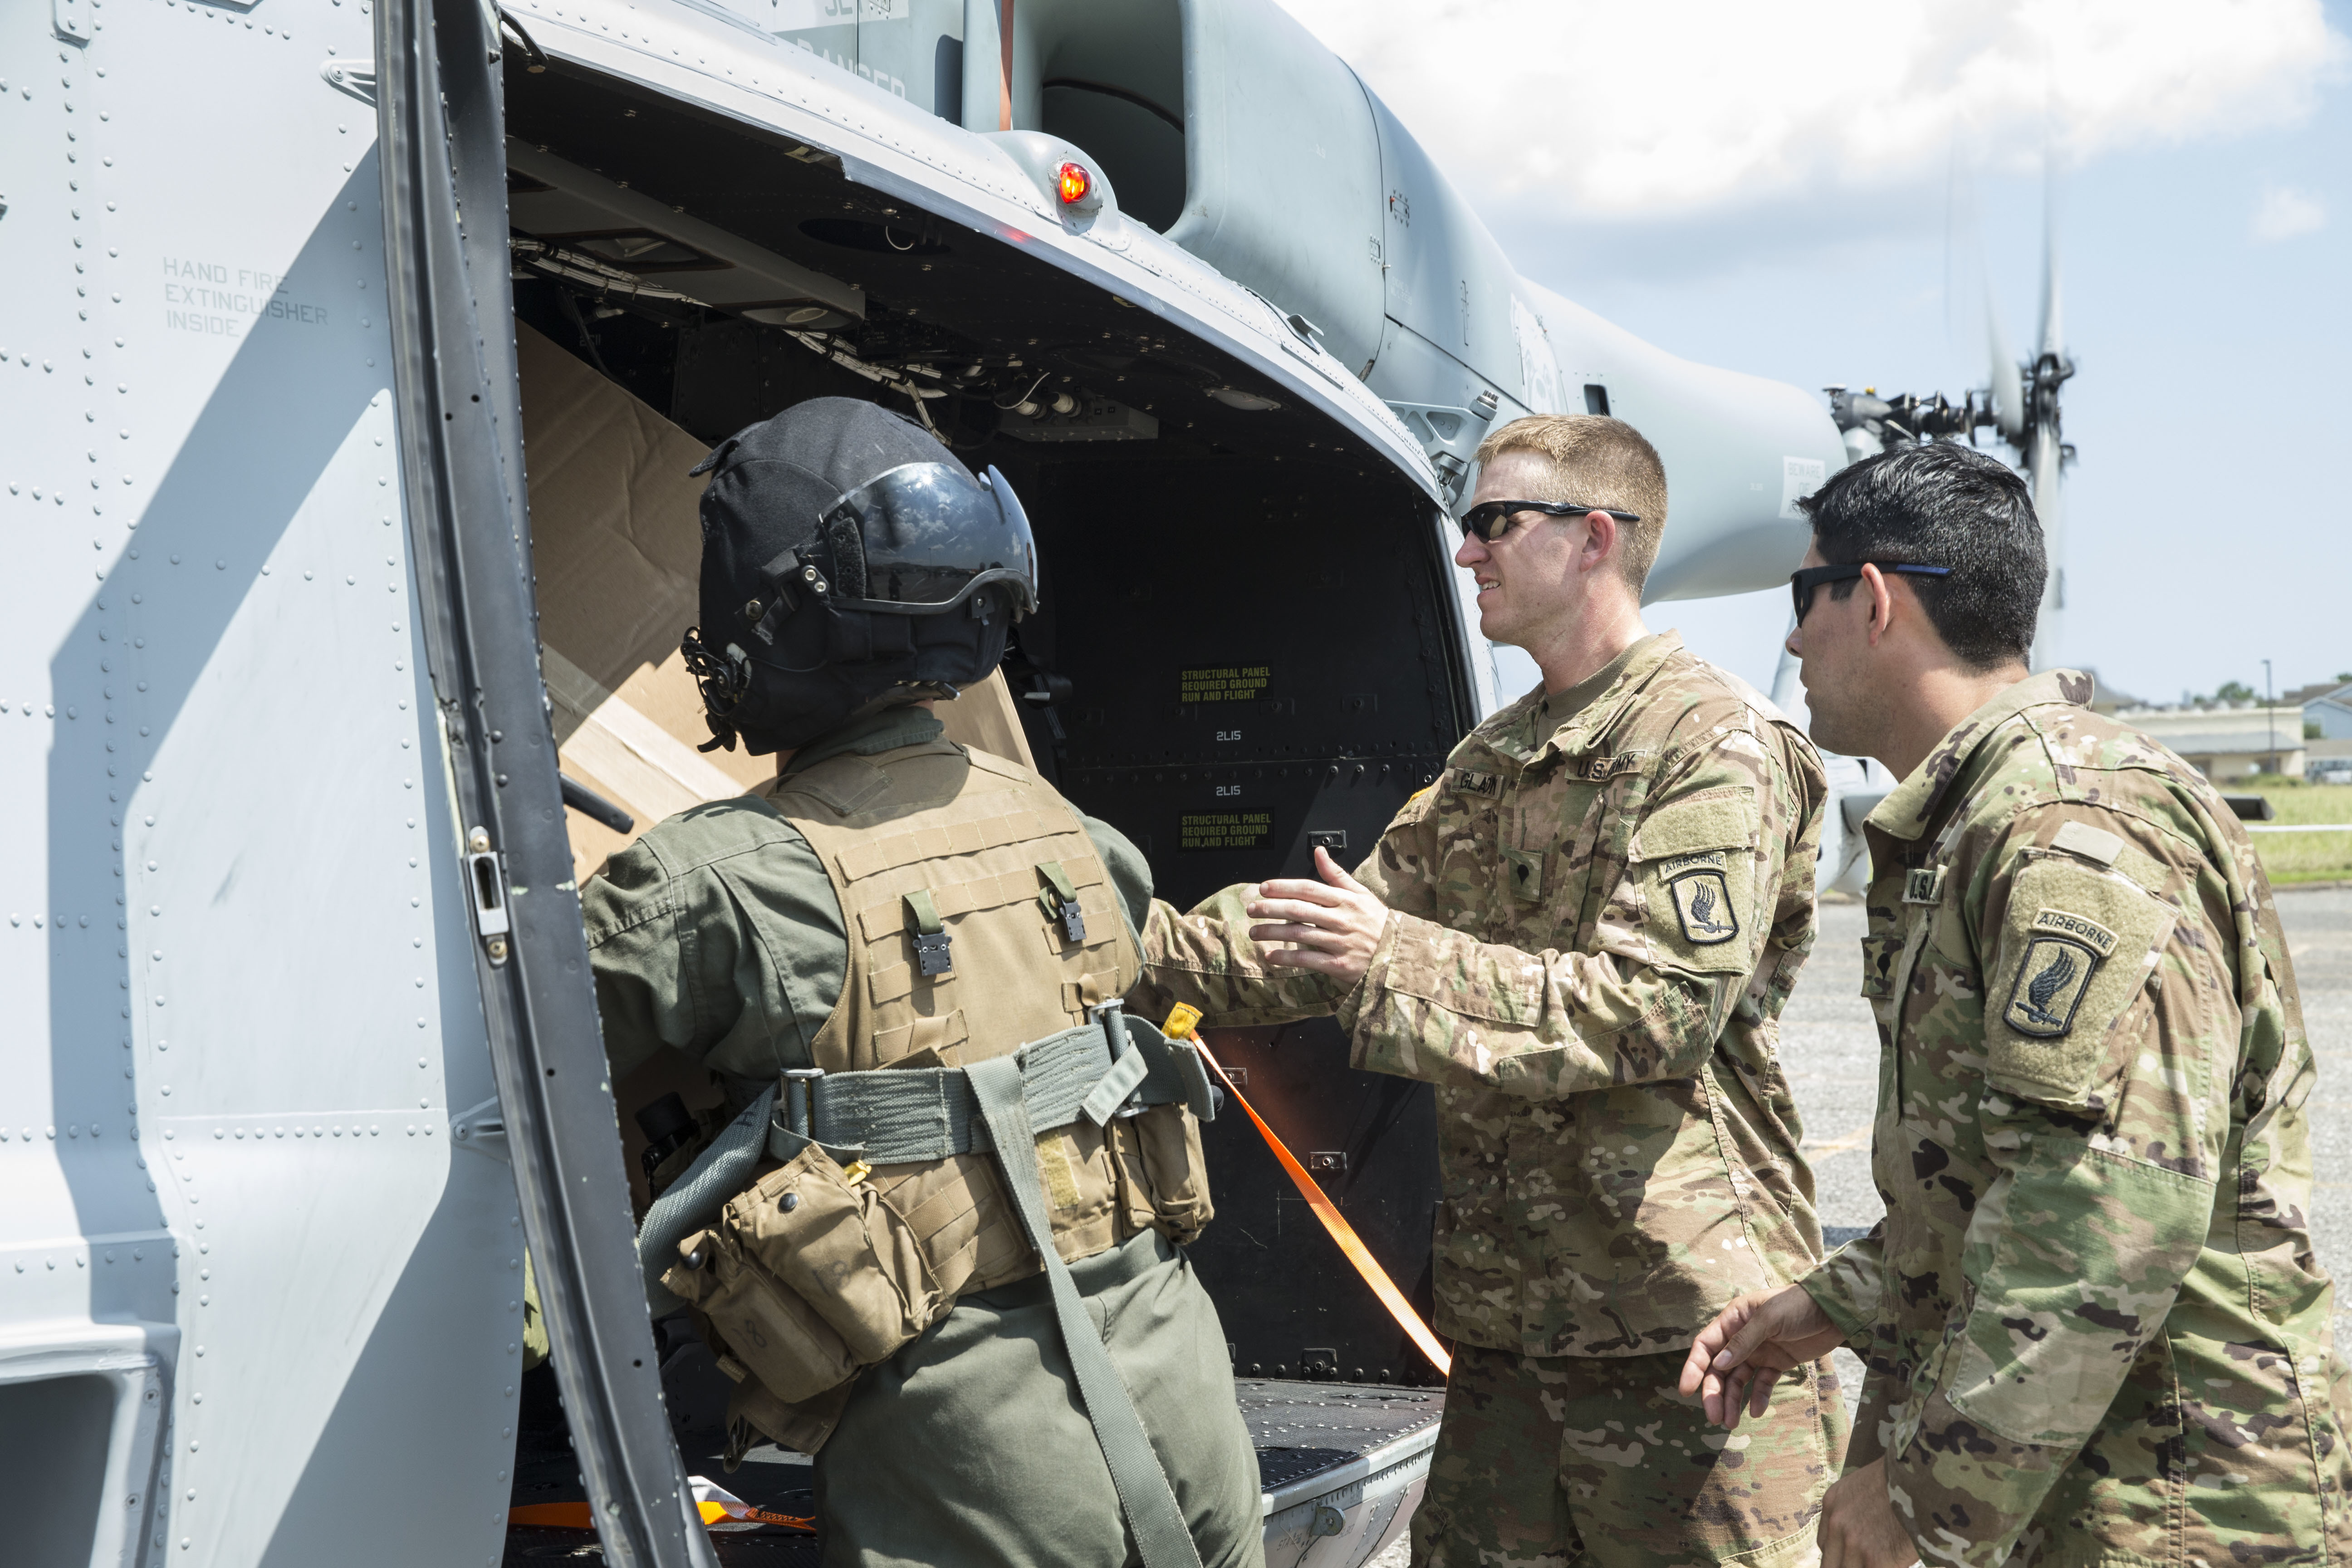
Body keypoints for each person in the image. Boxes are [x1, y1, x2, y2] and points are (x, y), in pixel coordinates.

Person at [1133, 414, 1846, 1567]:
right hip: (1509, 1341)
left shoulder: (1712, 743)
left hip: (1685, 1340)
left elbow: (1655, 1009)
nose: (1467, 554)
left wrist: (1395, 957)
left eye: (1492, 524)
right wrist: (1090, 934)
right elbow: (1316, 938)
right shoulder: (1494, 760)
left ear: (1594, 539)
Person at [582, 397, 1262, 1568]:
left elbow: (492, 1042)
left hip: (970, 1474)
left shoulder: (719, 879)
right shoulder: (1066, 830)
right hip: (1188, 1425)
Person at [1681, 441, 2350, 1568]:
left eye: (1806, 595)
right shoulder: (1981, 816)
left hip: (2160, 1505)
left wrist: (1928, 1496)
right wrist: (1834, 1299)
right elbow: (1993, 1178)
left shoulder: (2063, 822)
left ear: (1878, 598)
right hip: (2074, 1486)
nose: (1791, 638)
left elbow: (2105, 1217)